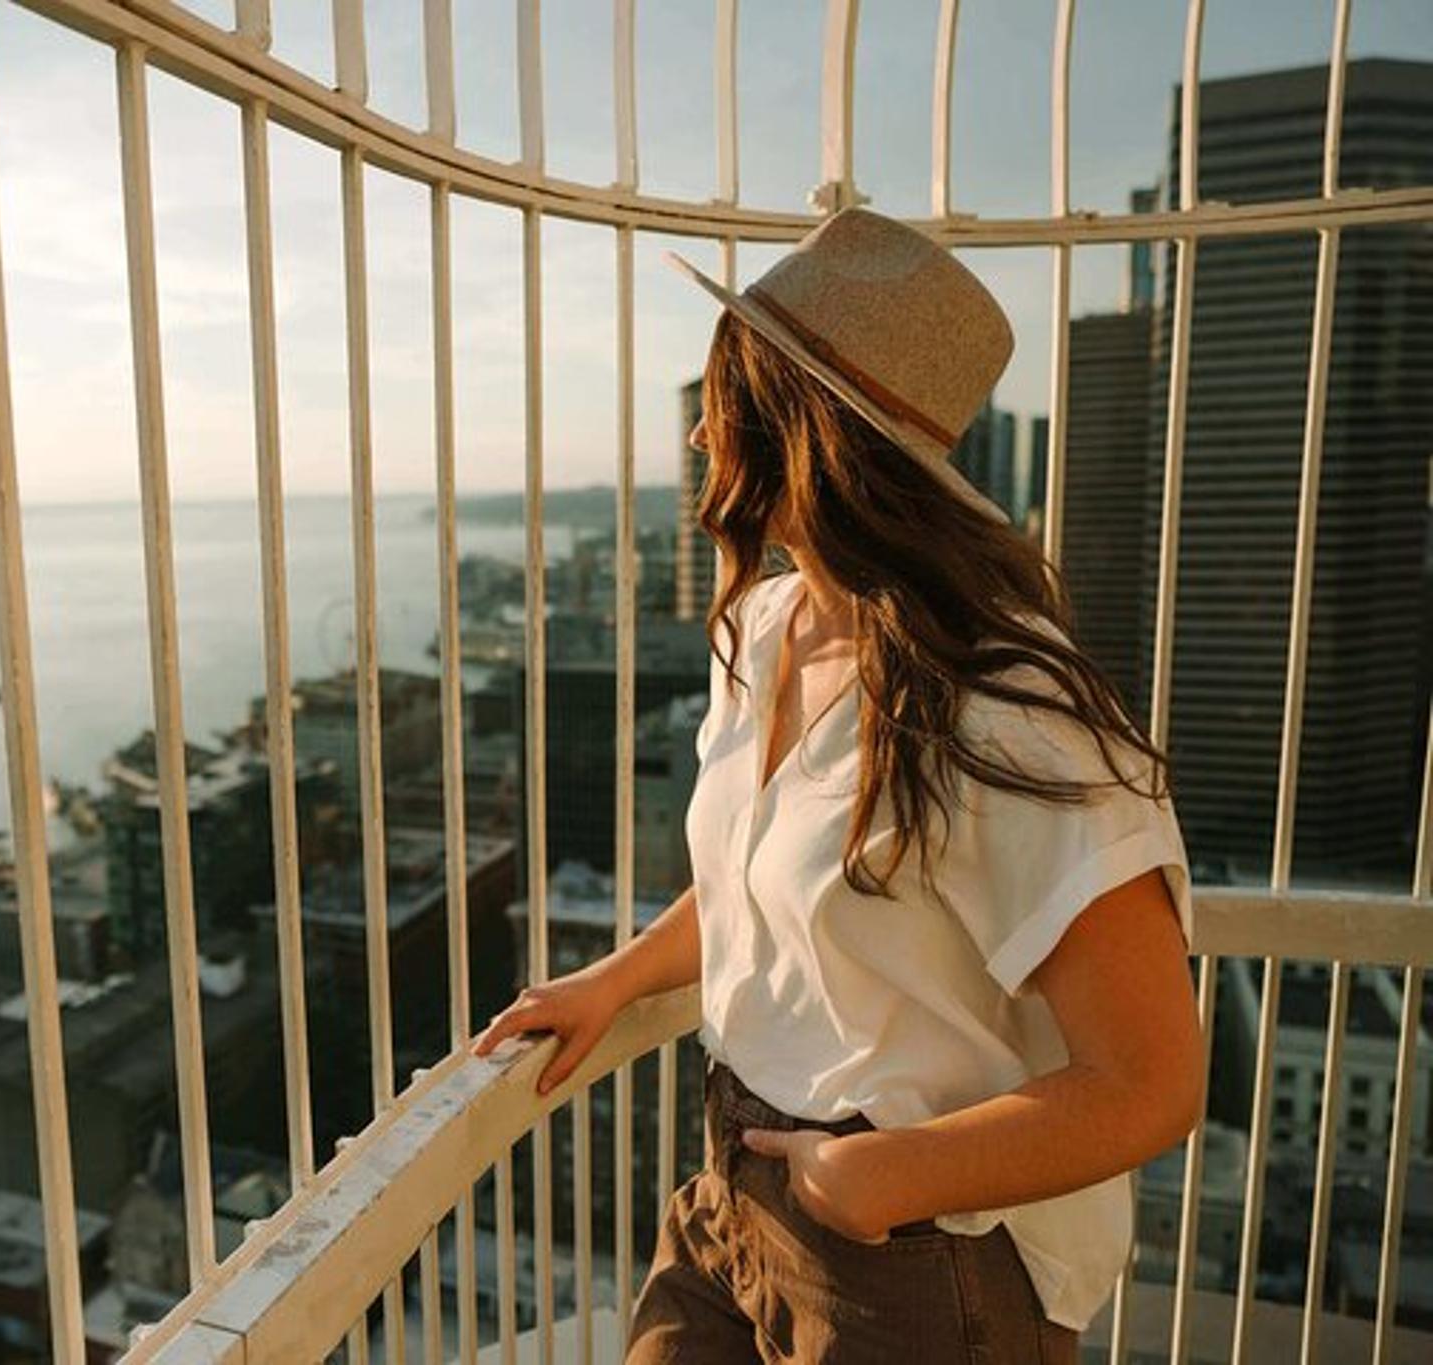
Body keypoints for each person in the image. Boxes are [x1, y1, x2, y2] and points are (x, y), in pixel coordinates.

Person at [470, 207, 1204, 1363]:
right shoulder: (766, 629)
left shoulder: (1005, 706)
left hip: (914, 1258)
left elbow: (1149, 1080)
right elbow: (751, 888)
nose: (705, 444)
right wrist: (610, 981)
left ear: (799, 432)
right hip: (734, 1196)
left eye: (725, 409)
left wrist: (874, 1178)